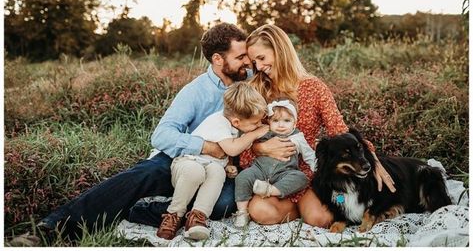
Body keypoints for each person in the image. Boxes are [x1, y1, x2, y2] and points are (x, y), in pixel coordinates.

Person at [37, 23, 292, 239]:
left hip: (225, 166)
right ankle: (54, 227)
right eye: (240, 58)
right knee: (142, 174)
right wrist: (206, 147)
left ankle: (142, 209)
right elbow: (161, 136)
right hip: (183, 158)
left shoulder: (250, 83)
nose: (248, 63)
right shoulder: (196, 91)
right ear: (217, 59)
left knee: (224, 203)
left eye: (248, 57)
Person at [239, 24, 396, 228]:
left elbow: (339, 131)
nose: (258, 67)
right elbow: (243, 145)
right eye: (253, 62)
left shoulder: (313, 86)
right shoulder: (255, 91)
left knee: (321, 218)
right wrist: (258, 148)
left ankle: (304, 206)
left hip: (306, 171)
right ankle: (292, 206)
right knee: (261, 211)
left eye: (261, 58)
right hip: (270, 173)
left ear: (280, 50)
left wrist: (371, 158)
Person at [156, 82, 269, 241]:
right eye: (255, 123)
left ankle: (197, 217)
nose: (258, 125)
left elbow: (225, 152)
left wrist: (229, 164)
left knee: (217, 172)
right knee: (195, 171)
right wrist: (255, 133)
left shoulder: (236, 125)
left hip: (210, 168)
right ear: (236, 121)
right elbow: (232, 148)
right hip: (186, 165)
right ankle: (173, 214)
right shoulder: (218, 121)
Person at [233, 98, 316, 228]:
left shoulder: (298, 138)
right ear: (269, 122)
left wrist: (317, 167)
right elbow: (248, 142)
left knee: (301, 177)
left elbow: (309, 155)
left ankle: (270, 190)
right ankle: (242, 212)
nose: (281, 125)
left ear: (294, 123)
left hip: (284, 173)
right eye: (275, 121)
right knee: (242, 177)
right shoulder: (264, 132)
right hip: (259, 169)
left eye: (286, 121)